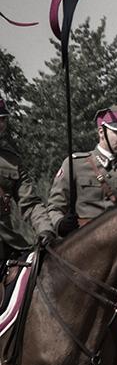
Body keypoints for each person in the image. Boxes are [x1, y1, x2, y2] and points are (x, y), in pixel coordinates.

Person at [42, 106, 117, 239]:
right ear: (101, 132)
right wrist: (60, 224)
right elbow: (54, 207)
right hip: (82, 240)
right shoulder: (74, 164)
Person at [0, 98, 44, 265]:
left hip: (6, 246)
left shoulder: (12, 159)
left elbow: (30, 203)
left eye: (3, 119)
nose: (1, 124)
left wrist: (45, 229)